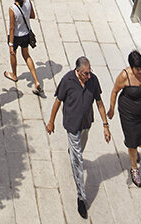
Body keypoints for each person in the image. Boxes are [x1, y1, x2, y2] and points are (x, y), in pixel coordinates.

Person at [46, 56, 111, 220]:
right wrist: (51, 121)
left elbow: (99, 102)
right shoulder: (67, 80)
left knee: (79, 149)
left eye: (90, 73)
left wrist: (105, 125)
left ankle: (74, 152)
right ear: (78, 71)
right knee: (78, 160)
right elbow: (57, 101)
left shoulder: (93, 80)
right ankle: (81, 197)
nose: (89, 76)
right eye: (86, 73)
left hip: (86, 123)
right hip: (72, 125)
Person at [107, 49, 141, 188]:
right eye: (137, 69)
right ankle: (134, 168)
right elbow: (114, 91)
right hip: (128, 112)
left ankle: (133, 150)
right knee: (132, 142)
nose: (140, 71)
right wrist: (111, 108)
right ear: (131, 67)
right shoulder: (125, 76)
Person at [3, 0, 42, 95]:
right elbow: (32, 16)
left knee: (13, 54)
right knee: (26, 56)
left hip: (15, 36)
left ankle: (14, 75)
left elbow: (12, 27)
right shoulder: (28, 2)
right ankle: (36, 80)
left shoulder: (12, 8)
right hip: (26, 34)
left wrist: (11, 44)